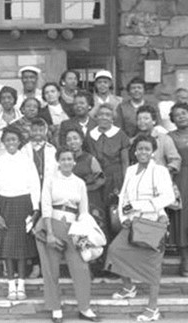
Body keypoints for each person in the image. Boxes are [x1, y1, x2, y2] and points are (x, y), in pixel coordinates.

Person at [105, 135, 174, 322]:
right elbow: (123, 198)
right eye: (140, 149)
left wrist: (141, 206)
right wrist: (123, 217)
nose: (143, 152)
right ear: (134, 151)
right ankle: (129, 288)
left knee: (152, 267)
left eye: (147, 149)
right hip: (132, 222)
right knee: (115, 250)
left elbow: (168, 197)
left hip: (153, 223)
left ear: (152, 152)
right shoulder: (130, 170)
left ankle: (153, 309)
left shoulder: (159, 171)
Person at [36, 147, 101, 323]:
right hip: (53, 224)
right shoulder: (50, 180)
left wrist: (83, 234)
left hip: (74, 228)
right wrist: (49, 233)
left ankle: (84, 307)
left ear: (74, 161)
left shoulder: (79, 182)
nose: (66, 162)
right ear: (58, 161)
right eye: (63, 159)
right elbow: (46, 206)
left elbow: (84, 211)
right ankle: (56, 308)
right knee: (51, 269)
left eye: (69, 159)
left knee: (81, 268)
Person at [0, 126, 41, 300]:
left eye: (14, 139)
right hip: (5, 205)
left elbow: (35, 185)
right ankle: (11, 284)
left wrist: (35, 210)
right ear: (3, 142)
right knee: (8, 248)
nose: (11, 143)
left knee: (22, 249)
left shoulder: (27, 161)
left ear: (19, 142)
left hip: (24, 204)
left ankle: (22, 286)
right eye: (8, 140)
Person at [86, 104, 130, 239]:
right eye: (101, 114)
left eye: (108, 115)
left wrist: (125, 183)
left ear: (113, 118)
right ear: (96, 117)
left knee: (114, 216)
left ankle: (114, 251)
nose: (104, 117)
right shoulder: (90, 135)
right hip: (97, 178)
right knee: (97, 213)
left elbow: (125, 162)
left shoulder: (120, 134)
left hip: (115, 177)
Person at [21, 118, 58, 279]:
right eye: (34, 130)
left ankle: (49, 265)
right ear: (30, 131)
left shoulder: (52, 150)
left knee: (49, 228)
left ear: (45, 131)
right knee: (33, 230)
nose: (37, 133)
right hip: (30, 194)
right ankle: (36, 264)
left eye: (40, 130)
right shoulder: (24, 150)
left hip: (49, 193)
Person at [168, 102, 188, 276]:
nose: (181, 116)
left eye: (184, 113)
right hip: (181, 178)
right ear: (172, 119)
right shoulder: (169, 137)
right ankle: (185, 260)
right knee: (183, 219)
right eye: (177, 114)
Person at [130, 105, 181, 172]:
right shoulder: (132, 141)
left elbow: (175, 160)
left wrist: (163, 172)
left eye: (146, 118)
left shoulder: (164, 139)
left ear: (154, 121)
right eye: (139, 119)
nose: (142, 121)